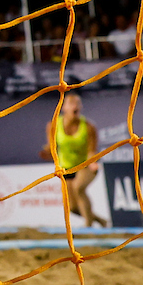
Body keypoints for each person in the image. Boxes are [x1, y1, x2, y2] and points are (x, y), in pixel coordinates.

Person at [44, 93, 105, 228]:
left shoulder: (88, 127)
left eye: (78, 103)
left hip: (85, 166)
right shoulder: (53, 125)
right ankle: (100, 221)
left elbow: (91, 151)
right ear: (64, 107)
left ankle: (88, 226)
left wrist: (93, 162)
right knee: (72, 207)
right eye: (71, 103)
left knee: (79, 188)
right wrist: (47, 152)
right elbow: (51, 146)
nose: (75, 106)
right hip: (66, 168)